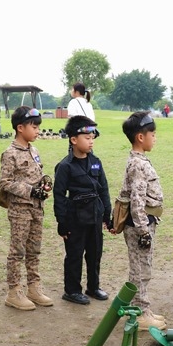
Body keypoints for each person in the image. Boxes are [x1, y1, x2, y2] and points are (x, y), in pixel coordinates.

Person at [0, 106, 53, 310]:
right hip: (20, 209)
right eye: (34, 126)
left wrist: (43, 187)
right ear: (20, 127)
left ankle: (33, 287)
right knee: (17, 251)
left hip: (37, 208)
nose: (38, 130)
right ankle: (14, 291)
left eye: (38, 126)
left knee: (34, 250)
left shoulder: (34, 150)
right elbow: (5, 182)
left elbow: (36, 175)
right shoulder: (10, 153)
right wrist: (30, 190)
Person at [53, 116, 112, 305]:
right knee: (75, 255)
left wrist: (107, 214)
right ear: (73, 139)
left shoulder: (96, 162)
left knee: (95, 253)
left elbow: (103, 188)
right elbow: (59, 195)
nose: (91, 141)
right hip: (75, 218)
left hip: (94, 215)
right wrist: (62, 222)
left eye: (92, 137)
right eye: (87, 137)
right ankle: (72, 290)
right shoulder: (65, 166)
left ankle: (93, 287)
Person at [117, 111, 166, 330]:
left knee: (143, 268)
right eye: (152, 134)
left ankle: (143, 309)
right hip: (140, 225)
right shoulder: (138, 164)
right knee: (139, 270)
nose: (154, 138)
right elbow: (137, 200)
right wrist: (143, 230)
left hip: (145, 221)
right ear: (140, 137)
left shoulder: (140, 160)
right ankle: (139, 314)